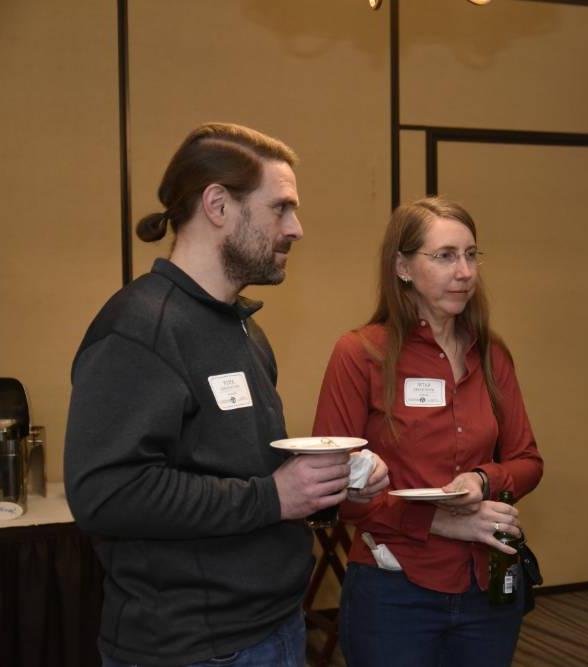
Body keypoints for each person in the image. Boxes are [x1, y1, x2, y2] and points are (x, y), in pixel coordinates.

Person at [64, 122, 388, 667]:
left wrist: (329, 485)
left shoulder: (243, 330)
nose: (297, 228)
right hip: (191, 649)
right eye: (280, 208)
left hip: (274, 626)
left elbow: (241, 471)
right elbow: (106, 493)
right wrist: (275, 496)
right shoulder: (140, 329)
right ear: (218, 205)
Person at [312, 196, 544, 667]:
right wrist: (441, 521)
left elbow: (528, 462)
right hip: (395, 589)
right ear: (402, 266)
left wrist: (483, 480)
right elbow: (331, 485)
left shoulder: (491, 353)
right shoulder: (360, 354)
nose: (464, 272)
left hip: (485, 585)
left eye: (471, 255)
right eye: (444, 256)